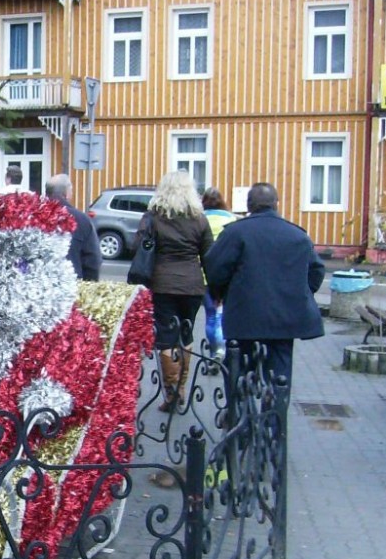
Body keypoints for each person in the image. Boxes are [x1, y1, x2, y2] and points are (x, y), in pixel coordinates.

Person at [203, 181, 325, 396]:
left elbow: (215, 268)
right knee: (280, 377)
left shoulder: (235, 232)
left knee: (238, 371)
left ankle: (237, 419)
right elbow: (316, 271)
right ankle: (276, 423)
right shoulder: (297, 235)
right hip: (284, 319)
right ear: (276, 204)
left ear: (249, 205)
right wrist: (301, 294)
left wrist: (219, 294)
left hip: (244, 316)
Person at [135, 171, 212, 411]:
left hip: (162, 285)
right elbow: (209, 254)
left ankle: (171, 393)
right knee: (186, 334)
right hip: (192, 285)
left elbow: (138, 245)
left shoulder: (153, 217)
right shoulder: (199, 218)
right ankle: (181, 387)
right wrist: (216, 289)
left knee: (166, 337)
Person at [200, 187, 237, 364]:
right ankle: (222, 348)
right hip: (225, 275)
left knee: (210, 314)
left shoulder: (200, 219)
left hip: (203, 276)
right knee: (221, 314)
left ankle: (214, 348)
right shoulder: (231, 220)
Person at [44, 173, 100, 281]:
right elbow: (93, 260)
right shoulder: (81, 220)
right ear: (67, 193)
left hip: (37, 288)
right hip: (71, 285)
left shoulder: (33, 216)